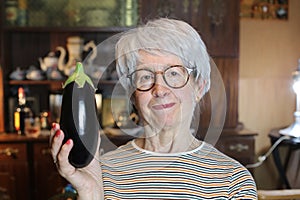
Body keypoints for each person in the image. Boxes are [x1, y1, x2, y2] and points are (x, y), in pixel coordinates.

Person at [50, 18, 257, 199]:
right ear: (133, 94)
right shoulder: (102, 172)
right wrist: (90, 193)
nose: (160, 89)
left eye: (174, 73)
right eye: (146, 76)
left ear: (199, 86)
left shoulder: (233, 181)